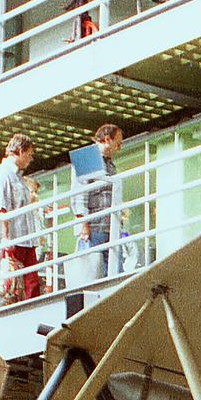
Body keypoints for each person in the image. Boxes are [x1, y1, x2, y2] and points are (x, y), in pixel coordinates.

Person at [0, 133, 42, 306]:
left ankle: (32, 311)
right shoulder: (1, 174)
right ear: (19, 151)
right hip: (12, 240)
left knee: (31, 284)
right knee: (11, 286)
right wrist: (6, 238)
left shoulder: (19, 178)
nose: (31, 159)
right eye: (29, 154)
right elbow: (1, 208)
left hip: (25, 239)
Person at [69, 122, 122, 288]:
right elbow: (79, 194)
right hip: (93, 227)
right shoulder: (87, 157)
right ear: (107, 139)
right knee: (92, 273)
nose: (120, 148)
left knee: (114, 273)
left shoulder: (109, 163)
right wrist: (83, 223)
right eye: (118, 143)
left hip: (109, 226)